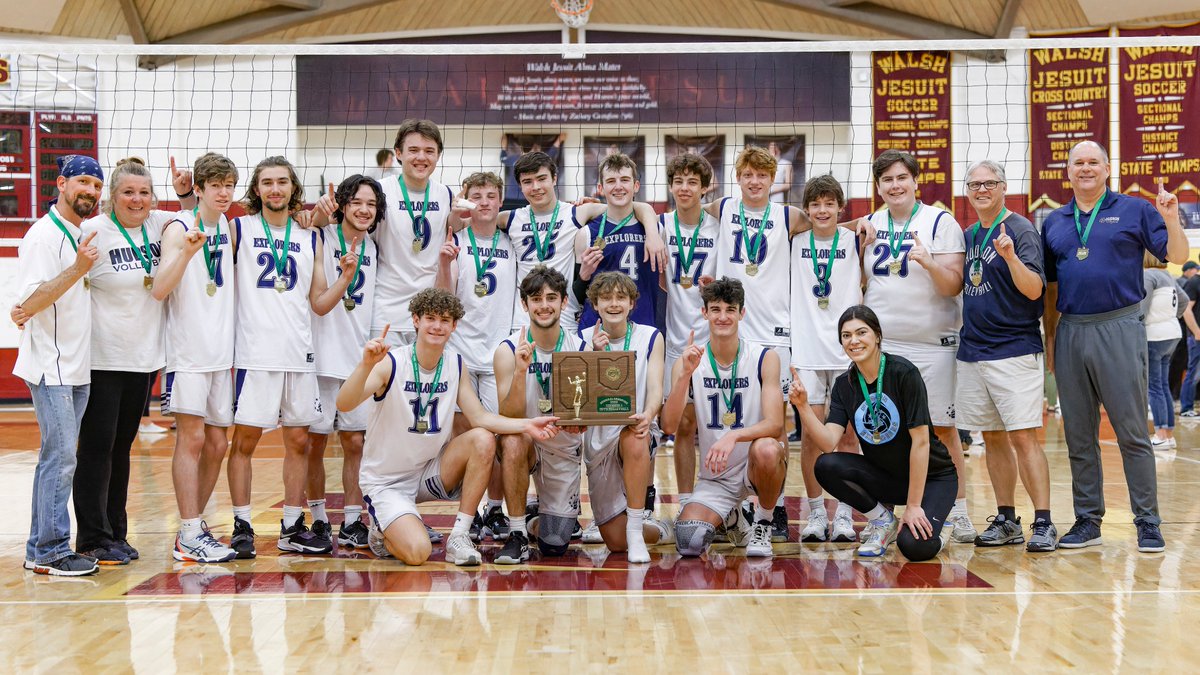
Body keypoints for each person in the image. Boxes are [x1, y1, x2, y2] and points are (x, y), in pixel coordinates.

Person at [336, 289, 560, 566]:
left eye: (445, 320)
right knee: (418, 553)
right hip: (387, 482)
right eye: (430, 318)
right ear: (416, 320)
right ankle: (382, 530)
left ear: (454, 326)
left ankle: (459, 535)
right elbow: (344, 403)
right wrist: (365, 365)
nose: (437, 326)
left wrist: (528, 424)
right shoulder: (391, 363)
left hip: (429, 470)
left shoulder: (455, 363)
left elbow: (479, 417)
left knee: (482, 438)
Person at [1043, 140, 1188, 552]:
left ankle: (1147, 521)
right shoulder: (1055, 220)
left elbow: (1176, 255)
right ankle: (1088, 520)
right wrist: (1052, 339)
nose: (1085, 169)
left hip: (1119, 326)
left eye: (1093, 162)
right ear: (1067, 172)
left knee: (1130, 431)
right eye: (1078, 163)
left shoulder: (1135, 209)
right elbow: (1051, 291)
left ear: (1107, 169)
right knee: (1078, 434)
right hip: (1071, 329)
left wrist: (1172, 218)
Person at [226, 156, 357, 559]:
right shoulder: (239, 229)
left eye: (282, 182)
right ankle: (242, 524)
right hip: (255, 354)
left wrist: (345, 278)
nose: (275, 189)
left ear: (293, 188)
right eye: (267, 183)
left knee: (299, 440)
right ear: (256, 190)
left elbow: (319, 303)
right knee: (244, 441)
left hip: (300, 356)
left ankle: (290, 526)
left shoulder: (311, 238)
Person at [73, 157, 195, 565]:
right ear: (112, 196)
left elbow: (193, 213)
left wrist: (183, 191)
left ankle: (115, 533)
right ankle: (91, 537)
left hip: (143, 359)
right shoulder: (93, 230)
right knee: (96, 448)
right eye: (128, 192)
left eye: (144, 192)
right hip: (101, 358)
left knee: (122, 449)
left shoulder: (157, 223)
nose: (137, 199)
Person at [862, 149, 974, 543]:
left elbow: (953, 284)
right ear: (878, 187)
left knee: (943, 429)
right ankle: (887, 517)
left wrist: (928, 262)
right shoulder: (870, 224)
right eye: (887, 180)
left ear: (915, 181)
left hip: (934, 344)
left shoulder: (940, 222)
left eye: (901, 178)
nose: (895, 186)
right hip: (885, 347)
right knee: (886, 432)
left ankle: (958, 511)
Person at [792, 305, 959, 561]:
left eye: (861, 332)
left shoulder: (904, 373)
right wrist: (803, 407)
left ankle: (941, 527)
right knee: (826, 465)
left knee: (914, 547)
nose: (854, 341)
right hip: (888, 478)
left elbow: (922, 443)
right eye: (846, 335)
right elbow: (827, 443)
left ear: (877, 335)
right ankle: (883, 522)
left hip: (932, 479)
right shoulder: (843, 386)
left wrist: (913, 507)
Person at [955, 160, 1056, 552]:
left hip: (1013, 350)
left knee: (1023, 437)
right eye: (974, 184)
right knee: (993, 438)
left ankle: (1044, 521)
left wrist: (1011, 257)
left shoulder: (1020, 229)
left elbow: (1035, 291)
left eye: (989, 183)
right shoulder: (968, 234)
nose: (981, 190)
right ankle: (1007, 518)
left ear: (1002, 187)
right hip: (973, 351)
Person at [14, 155, 104, 576]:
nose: (90, 190)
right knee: (62, 458)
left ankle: (38, 547)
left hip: (75, 368)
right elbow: (26, 305)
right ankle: (51, 549)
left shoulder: (78, 232)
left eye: (96, 184)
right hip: (52, 369)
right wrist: (79, 268)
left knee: (56, 456)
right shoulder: (43, 237)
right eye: (83, 181)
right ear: (62, 184)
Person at [661, 278, 787, 558]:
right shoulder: (690, 361)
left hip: (755, 465)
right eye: (715, 309)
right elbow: (668, 425)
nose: (723, 316)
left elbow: (776, 423)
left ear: (742, 313)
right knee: (688, 542)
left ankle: (763, 522)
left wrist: (733, 435)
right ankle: (732, 517)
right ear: (704, 313)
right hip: (717, 476)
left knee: (767, 448)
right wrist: (683, 376)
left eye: (730, 309)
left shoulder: (764, 358)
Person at [158, 153, 240, 562]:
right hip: (188, 353)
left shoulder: (223, 224)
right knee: (191, 439)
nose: (223, 192)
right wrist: (186, 254)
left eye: (229, 185)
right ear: (201, 188)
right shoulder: (178, 228)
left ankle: (194, 526)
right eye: (216, 185)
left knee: (217, 443)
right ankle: (189, 533)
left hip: (219, 355)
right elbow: (159, 288)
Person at [435, 171, 516, 541]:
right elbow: (444, 300)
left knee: (499, 439)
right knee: (470, 438)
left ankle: (496, 511)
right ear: (467, 201)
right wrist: (444, 264)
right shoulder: (456, 242)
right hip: (462, 354)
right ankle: (468, 514)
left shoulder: (512, 241)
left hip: (500, 355)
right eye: (477, 196)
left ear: (500, 202)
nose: (484, 202)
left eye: (490, 196)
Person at [307, 175, 384, 550]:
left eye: (371, 203)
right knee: (314, 443)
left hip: (357, 361)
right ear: (342, 204)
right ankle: (319, 519)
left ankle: (353, 520)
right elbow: (304, 226)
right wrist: (317, 216)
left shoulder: (375, 246)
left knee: (356, 443)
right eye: (356, 202)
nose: (364, 209)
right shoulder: (320, 238)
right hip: (321, 357)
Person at [492, 266, 586, 563]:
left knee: (555, 545)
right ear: (524, 304)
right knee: (512, 439)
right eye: (536, 299)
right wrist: (521, 371)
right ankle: (518, 533)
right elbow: (508, 415)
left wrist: (580, 422)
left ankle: (540, 514)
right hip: (527, 443)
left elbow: (587, 412)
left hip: (561, 450)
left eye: (551, 298)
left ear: (564, 303)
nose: (544, 305)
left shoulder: (581, 348)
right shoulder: (507, 350)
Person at [790, 174, 862, 544]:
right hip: (805, 350)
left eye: (829, 203)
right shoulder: (793, 242)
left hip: (847, 353)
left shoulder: (857, 240)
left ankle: (846, 515)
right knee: (811, 439)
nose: (822, 210)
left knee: (849, 437)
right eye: (815, 204)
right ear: (807, 208)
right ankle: (817, 514)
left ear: (840, 207)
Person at [578, 272, 670, 562]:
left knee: (635, 436)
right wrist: (594, 356)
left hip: (636, 428)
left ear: (632, 303)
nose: (614, 304)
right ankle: (662, 530)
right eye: (606, 298)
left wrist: (648, 413)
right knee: (615, 544)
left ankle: (635, 525)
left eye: (621, 297)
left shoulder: (651, 336)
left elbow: (656, 390)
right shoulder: (581, 340)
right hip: (598, 442)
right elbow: (577, 401)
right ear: (595, 304)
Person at [658, 153, 720, 518]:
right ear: (670, 186)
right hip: (673, 340)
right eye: (678, 181)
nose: (684, 188)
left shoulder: (717, 226)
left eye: (692, 182)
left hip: (712, 341)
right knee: (680, 424)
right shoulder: (659, 224)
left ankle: (719, 500)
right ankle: (683, 503)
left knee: (714, 424)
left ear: (705, 187)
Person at [373, 119, 456, 347]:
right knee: (385, 381)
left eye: (429, 151)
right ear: (398, 153)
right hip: (386, 313)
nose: (422, 157)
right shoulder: (379, 190)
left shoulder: (446, 195)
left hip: (429, 317)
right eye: (413, 150)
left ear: (438, 155)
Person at [574, 152, 668, 332]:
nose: (618, 187)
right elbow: (577, 296)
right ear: (601, 188)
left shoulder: (656, 232)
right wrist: (583, 275)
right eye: (611, 181)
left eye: (624, 180)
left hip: (643, 326)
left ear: (636, 185)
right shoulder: (586, 234)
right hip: (597, 329)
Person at [1144, 252, 1183, 450]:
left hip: (1154, 336)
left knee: (1154, 387)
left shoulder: (1148, 276)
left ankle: (1160, 434)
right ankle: (1168, 435)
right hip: (1172, 333)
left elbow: (1142, 308)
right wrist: (1169, 316)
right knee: (1163, 386)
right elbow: (1183, 301)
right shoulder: (1169, 276)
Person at [500, 133, 564, 211]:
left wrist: (504, 140)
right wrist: (559, 139)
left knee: (507, 221)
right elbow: (551, 152)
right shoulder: (538, 162)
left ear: (521, 148)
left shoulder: (513, 159)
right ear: (534, 147)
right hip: (525, 200)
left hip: (510, 199)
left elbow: (503, 156)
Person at [1178, 260, 1200, 417]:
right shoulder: (1193, 283)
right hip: (1196, 337)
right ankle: (1186, 408)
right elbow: (1186, 310)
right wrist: (1196, 331)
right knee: (1193, 373)